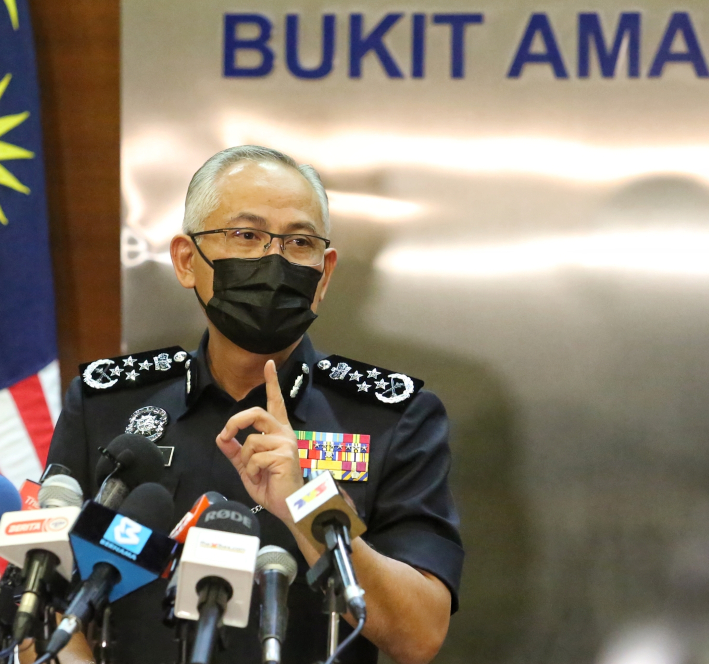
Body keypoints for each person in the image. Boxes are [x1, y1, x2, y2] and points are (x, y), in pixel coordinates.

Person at [42, 145, 463, 664]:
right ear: (186, 260)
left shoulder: (393, 416)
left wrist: (305, 504)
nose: (275, 260)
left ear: (324, 274)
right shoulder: (107, 404)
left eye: (300, 242)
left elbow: (419, 634)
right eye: (246, 236)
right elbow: (44, 602)